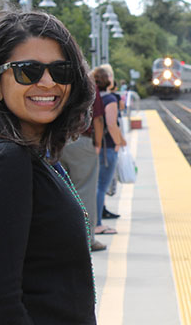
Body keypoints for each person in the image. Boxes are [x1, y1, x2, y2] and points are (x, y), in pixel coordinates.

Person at [0, 10, 96, 324]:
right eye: (28, 71)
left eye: (61, 70)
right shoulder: (4, 162)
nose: (47, 82)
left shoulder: (28, 155)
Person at [60, 72, 107, 251]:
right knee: (85, 190)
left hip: (56, 141)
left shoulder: (58, 80)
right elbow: (98, 118)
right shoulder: (87, 84)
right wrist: (97, 143)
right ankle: (86, 239)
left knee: (60, 192)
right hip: (81, 140)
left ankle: (62, 238)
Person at [92, 65, 126, 235]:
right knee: (101, 186)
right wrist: (119, 142)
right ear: (108, 80)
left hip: (95, 147)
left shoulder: (94, 98)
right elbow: (111, 124)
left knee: (95, 185)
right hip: (107, 149)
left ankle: (93, 221)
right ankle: (97, 223)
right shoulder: (110, 100)